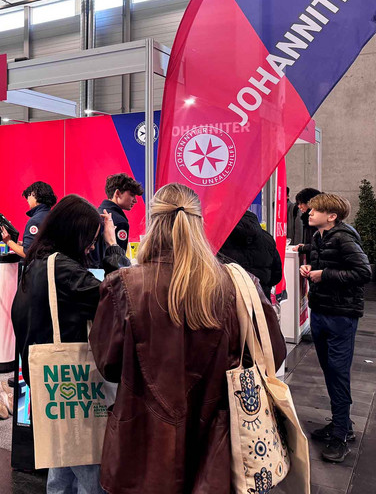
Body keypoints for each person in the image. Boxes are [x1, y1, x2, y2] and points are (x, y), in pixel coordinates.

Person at [90, 183, 286, 493]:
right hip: (220, 446)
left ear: (153, 223)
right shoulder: (239, 283)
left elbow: (109, 366)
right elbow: (272, 354)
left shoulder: (123, 286)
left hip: (142, 447)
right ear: (198, 223)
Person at [11, 195, 127, 494]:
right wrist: (112, 245)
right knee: (89, 470)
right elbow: (118, 296)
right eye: (89, 238)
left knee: (62, 466)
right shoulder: (62, 268)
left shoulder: (38, 262)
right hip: (73, 383)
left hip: (50, 383)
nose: (91, 245)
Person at [298, 193, 372, 463]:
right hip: (321, 311)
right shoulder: (320, 237)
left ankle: (341, 434)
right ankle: (341, 424)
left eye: (315, 210)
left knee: (338, 373)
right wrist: (310, 268)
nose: (308, 213)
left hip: (340, 316)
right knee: (330, 370)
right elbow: (324, 264)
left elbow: (364, 272)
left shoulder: (343, 237)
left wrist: (324, 275)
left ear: (332, 216)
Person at [218, 210, 283, 301]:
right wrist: (264, 285)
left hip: (231, 301)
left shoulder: (220, 240)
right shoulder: (267, 239)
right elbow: (277, 274)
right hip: (261, 300)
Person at [2, 181, 57, 260]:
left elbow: (27, 253)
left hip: (39, 269)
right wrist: (23, 244)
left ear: (36, 195)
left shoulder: (35, 221)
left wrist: (8, 241)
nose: (27, 199)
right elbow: (46, 245)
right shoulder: (55, 216)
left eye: (28, 195)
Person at [96, 173, 144, 259]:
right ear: (117, 193)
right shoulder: (120, 222)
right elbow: (119, 260)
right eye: (132, 195)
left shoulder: (96, 213)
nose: (135, 200)